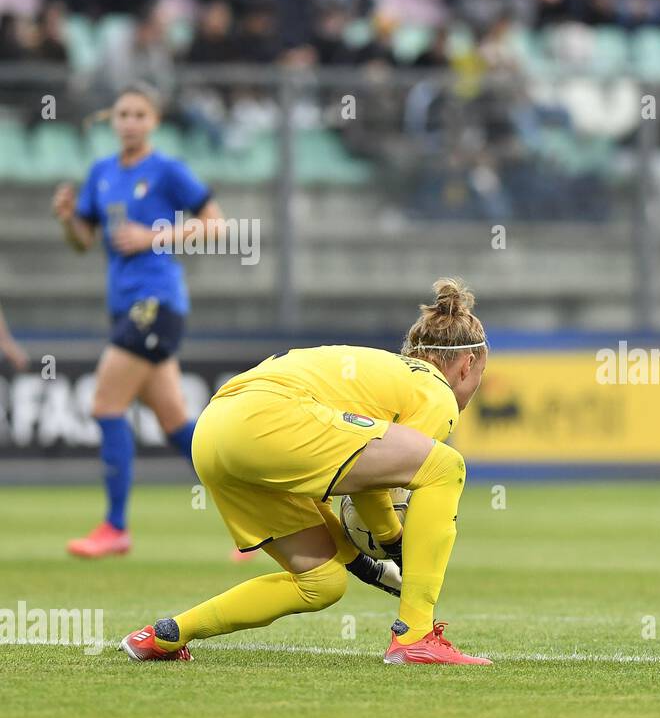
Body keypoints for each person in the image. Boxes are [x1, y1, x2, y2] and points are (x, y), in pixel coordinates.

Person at [120, 278, 493, 667]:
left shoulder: (381, 375)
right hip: (270, 418)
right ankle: (415, 636)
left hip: (214, 431)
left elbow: (356, 477)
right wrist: (394, 539)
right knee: (446, 467)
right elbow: (375, 481)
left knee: (320, 583)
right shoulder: (435, 391)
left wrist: (364, 564)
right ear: (467, 365)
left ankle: (165, 636)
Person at [51, 81, 225, 557]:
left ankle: (115, 526)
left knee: (105, 406)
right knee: (177, 426)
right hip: (125, 307)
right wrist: (68, 218)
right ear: (112, 120)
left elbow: (217, 224)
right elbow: (83, 241)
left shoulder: (167, 170)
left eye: (139, 114)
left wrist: (154, 236)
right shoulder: (103, 172)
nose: (129, 122)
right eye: (122, 114)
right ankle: (264, 512)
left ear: (154, 121)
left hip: (157, 304)